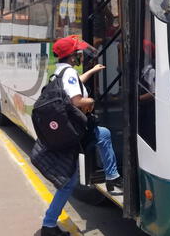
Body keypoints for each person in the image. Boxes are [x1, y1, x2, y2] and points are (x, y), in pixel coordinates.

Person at [37, 35, 122, 236]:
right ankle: (48, 226)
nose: (79, 56)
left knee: (103, 135)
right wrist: (90, 100)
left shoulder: (59, 72)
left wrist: (91, 71)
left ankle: (111, 175)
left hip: (65, 131)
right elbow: (76, 101)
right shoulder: (70, 73)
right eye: (77, 53)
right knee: (69, 183)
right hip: (74, 131)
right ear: (73, 56)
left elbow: (73, 84)